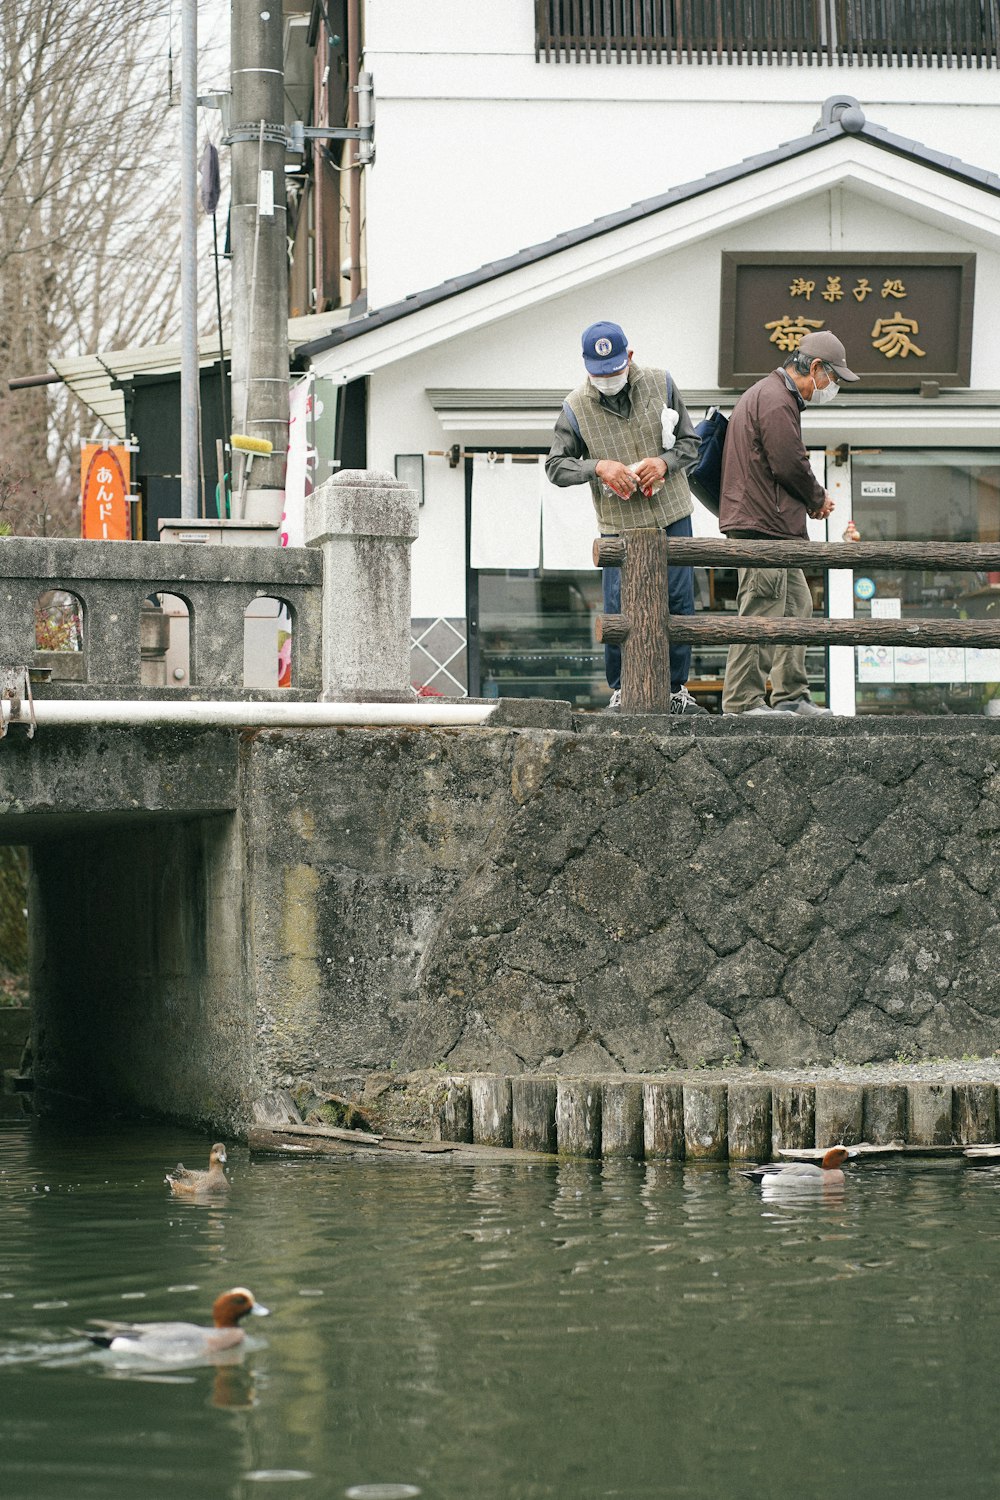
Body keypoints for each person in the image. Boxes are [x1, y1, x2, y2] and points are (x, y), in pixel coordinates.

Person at [545, 320, 707, 715]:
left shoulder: (661, 382)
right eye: (598, 373)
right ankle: (622, 689)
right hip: (619, 523)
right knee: (619, 607)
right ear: (586, 367)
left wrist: (664, 463)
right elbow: (555, 466)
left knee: (679, 601)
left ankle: (675, 689)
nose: (607, 378)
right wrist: (598, 467)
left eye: (614, 370)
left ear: (629, 357)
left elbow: (692, 444)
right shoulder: (575, 406)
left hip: (672, 513)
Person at [719, 329, 859, 717]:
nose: (831, 387)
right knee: (761, 612)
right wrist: (817, 498)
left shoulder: (771, 396)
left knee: (797, 608)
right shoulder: (776, 399)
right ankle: (744, 702)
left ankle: (790, 695)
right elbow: (788, 462)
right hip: (762, 525)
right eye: (832, 378)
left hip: (776, 525)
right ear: (815, 368)